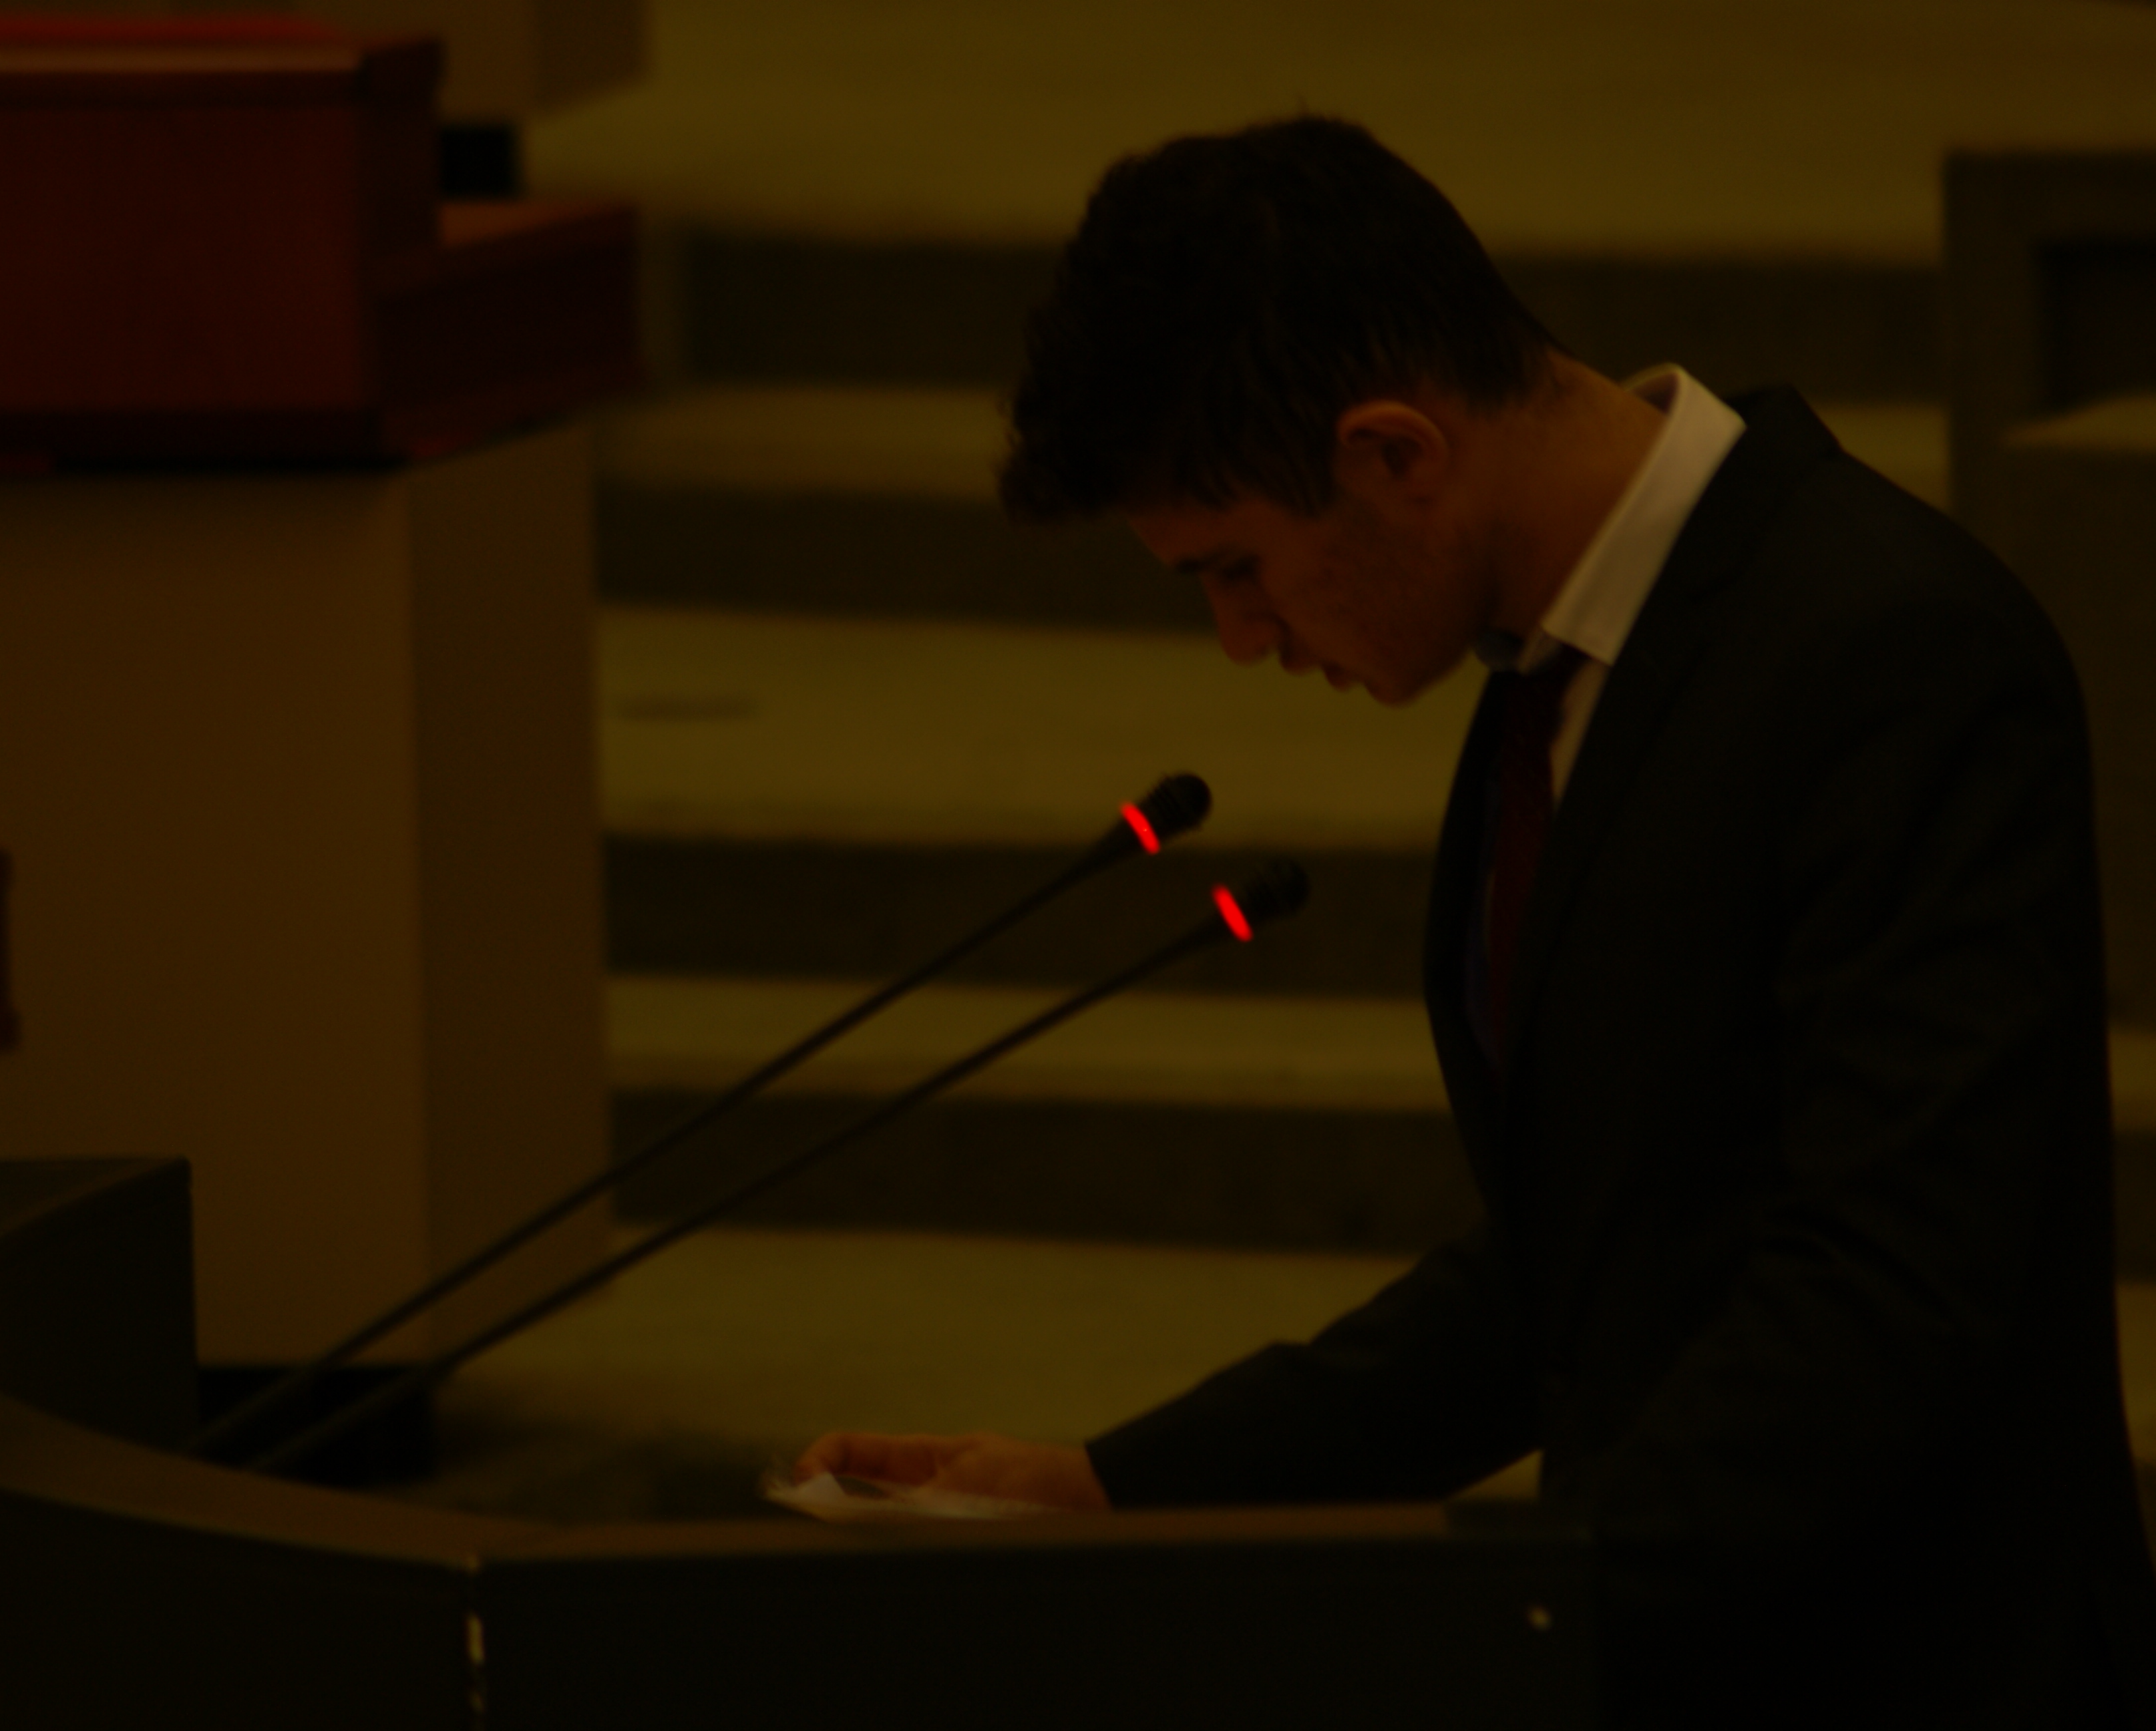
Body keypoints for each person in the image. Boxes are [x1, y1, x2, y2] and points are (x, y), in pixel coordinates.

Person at [797, 118, 2156, 1726]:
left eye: (1237, 570)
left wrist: (1505, 1622)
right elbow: (1577, 1272)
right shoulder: (1550, 678)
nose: (1241, 639)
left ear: (1394, 453)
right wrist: (1113, 1489)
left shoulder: (1894, 653)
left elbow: (1886, 1299)